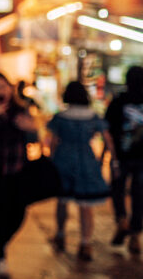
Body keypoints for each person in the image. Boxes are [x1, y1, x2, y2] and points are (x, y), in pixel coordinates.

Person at [0, 72, 39, 279]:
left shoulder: (21, 110)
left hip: (18, 172)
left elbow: (34, 137)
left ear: (11, 89)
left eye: (4, 86)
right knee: (1, 215)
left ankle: (2, 243)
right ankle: (1, 258)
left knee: (19, 215)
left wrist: (31, 128)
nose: (1, 91)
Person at [47, 82, 114, 261]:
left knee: (62, 200)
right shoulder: (93, 116)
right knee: (86, 205)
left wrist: (50, 159)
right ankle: (85, 243)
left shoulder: (61, 117)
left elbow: (52, 141)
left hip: (63, 159)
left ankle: (60, 234)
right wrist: (104, 160)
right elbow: (107, 139)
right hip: (86, 160)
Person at [105, 65, 143, 254]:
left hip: (121, 156)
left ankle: (122, 220)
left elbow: (108, 130)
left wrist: (106, 154)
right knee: (139, 196)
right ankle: (135, 236)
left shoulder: (119, 100)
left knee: (117, 190)